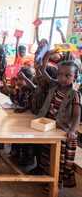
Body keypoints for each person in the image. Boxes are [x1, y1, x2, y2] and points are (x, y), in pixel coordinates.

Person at [37, 49, 81, 193]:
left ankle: (57, 183)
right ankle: (46, 179)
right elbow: (43, 70)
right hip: (47, 126)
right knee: (46, 154)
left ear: (76, 77)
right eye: (60, 74)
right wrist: (48, 55)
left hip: (61, 131)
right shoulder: (54, 85)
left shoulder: (75, 95)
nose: (62, 78)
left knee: (57, 160)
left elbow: (76, 115)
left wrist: (73, 131)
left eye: (68, 75)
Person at [1, 66, 35, 166]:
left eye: (21, 79)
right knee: (16, 134)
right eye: (16, 79)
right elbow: (7, 90)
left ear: (28, 79)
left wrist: (24, 108)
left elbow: (31, 104)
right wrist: (3, 79)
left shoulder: (31, 90)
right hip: (19, 118)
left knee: (26, 139)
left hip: (28, 119)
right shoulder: (19, 90)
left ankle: (27, 158)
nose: (18, 82)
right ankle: (15, 151)